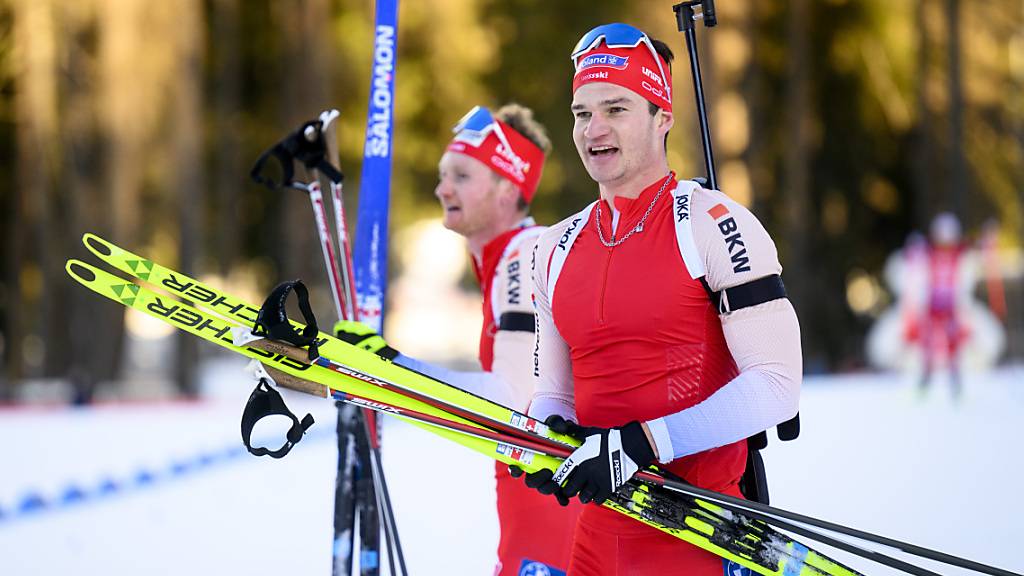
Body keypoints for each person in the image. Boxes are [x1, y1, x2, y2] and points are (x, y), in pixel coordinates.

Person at [519, 23, 802, 575]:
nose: (593, 129)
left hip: (705, 532)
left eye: (616, 108)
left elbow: (777, 385)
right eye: (582, 113)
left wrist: (643, 444)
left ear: (662, 117)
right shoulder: (552, 248)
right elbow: (554, 392)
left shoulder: (713, 224)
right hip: (596, 542)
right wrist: (544, 437)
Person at [337, 103, 581, 576]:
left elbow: (515, 402)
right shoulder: (501, 262)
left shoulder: (524, 254)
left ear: (508, 188)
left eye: (462, 176)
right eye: (443, 174)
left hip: (556, 519)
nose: (441, 188)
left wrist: (391, 368)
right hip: (533, 513)